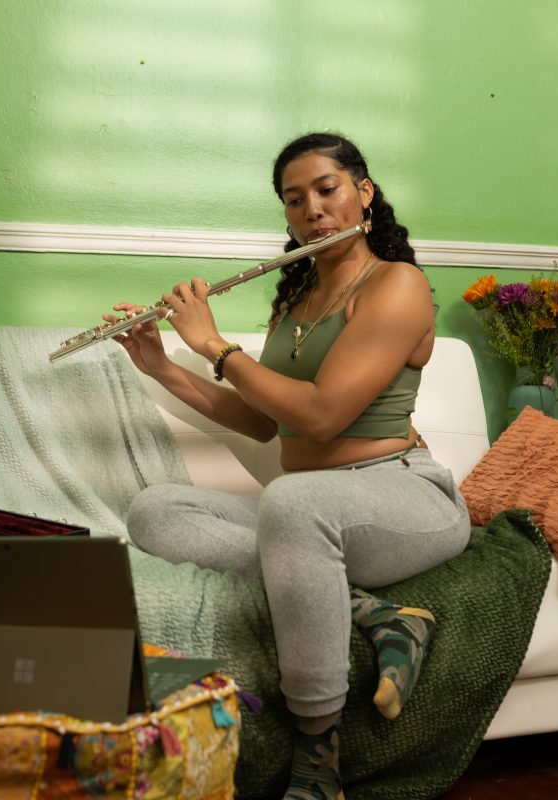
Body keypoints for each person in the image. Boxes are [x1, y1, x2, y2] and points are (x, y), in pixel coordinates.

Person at [107, 132, 471, 800]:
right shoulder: (295, 304)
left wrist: (214, 344)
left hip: (405, 499)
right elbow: (261, 420)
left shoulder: (397, 284)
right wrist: (161, 364)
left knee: (292, 501)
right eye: (294, 199)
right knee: (154, 509)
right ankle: (378, 615)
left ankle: (318, 751)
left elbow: (323, 415)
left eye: (327, 190)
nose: (313, 210)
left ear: (363, 192)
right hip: (318, 513)